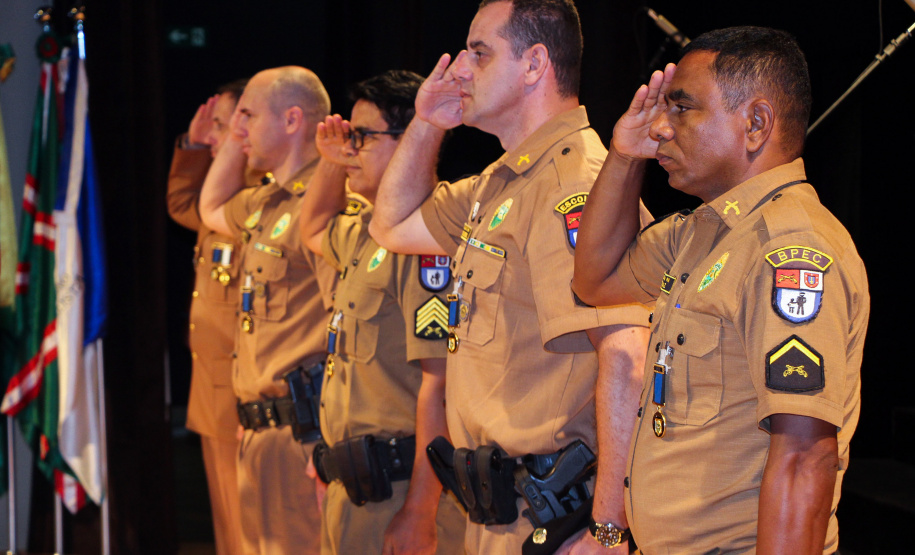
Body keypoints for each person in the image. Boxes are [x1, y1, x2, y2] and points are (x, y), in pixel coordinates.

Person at [572, 26, 868, 554]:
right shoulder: (701, 232)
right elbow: (595, 279)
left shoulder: (789, 249)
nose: (660, 127)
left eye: (682, 108)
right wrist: (623, 156)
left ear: (755, 124)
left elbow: (805, 458)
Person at [368, 1, 651, 552]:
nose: (460, 70)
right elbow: (392, 225)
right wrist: (427, 123)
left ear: (534, 64)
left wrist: (608, 529)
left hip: (555, 520)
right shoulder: (503, 182)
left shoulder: (576, 184)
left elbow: (627, 355)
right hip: (500, 511)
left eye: (479, 53)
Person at [298, 69, 466, 555]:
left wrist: (420, 511)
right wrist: (332, 162)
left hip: (400, 491)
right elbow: (313, 229)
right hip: (354, 489)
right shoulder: (366, 231)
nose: (350, 149)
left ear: (410, 139)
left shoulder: (426, 241)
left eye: (362, 137)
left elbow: (441, 385)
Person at [199, 66, 337, 555]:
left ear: (293, 120)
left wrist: (330, 442)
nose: (238, 131)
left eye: (249, 117)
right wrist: (238, 142)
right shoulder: (264, 203)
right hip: (261, 433)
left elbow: (348, 333)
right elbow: (210, 207)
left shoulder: (327, 204)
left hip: (303, 436)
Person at [166, 78, 249, 555]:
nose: (214, 136)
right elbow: (182, 205)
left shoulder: (260, 200)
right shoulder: (223, 197)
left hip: (246, 397)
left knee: (252, 531)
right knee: (227, 531)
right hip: (213, 392)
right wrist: (194, 147)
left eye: (221, 125)